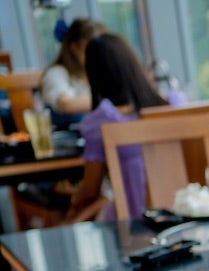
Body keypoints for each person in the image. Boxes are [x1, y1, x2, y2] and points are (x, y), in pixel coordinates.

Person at [64, 32, 182, 222]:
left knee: (74, 217)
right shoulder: (175, 105)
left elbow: (90, 191)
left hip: (134, 224)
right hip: (182, 213)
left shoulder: (102, 122)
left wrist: (73, 201)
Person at [39, 17, 106, 130]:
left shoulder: (99, 73)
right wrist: (110, 101)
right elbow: (65, 104)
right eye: (92, 49)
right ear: (74, 47)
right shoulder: (56, 73)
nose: (100, 54)